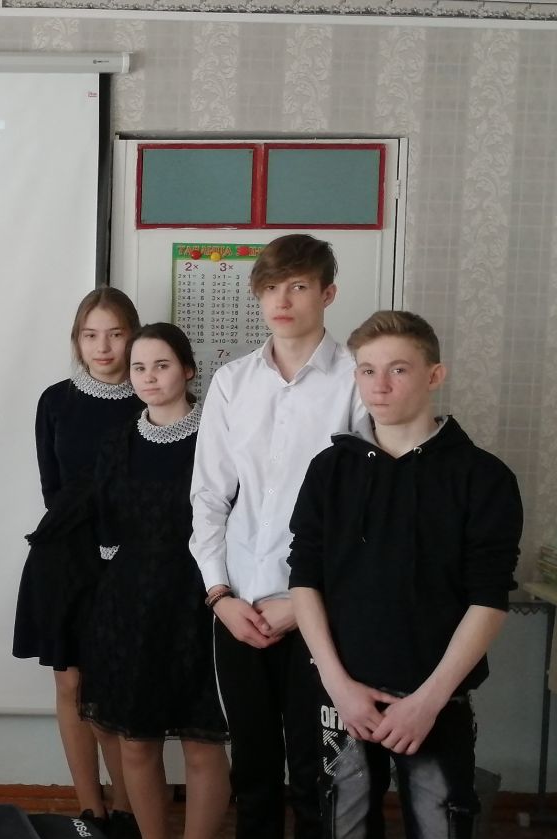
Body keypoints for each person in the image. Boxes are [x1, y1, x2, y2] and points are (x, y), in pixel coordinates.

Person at [290, 311, 521, 839]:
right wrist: (338, 686)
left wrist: (428, 700)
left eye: (398, 369)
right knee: (343, 827)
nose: (380, 386)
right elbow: (304, 578)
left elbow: (489, 598)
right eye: (367, 370)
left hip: (435, 701)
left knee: (441, 825)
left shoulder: (483, 477)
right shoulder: (329, 470)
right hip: (343, 697)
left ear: (434, 375)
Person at [189, 234, 369, 839]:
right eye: (270, 288)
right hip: (238, 605)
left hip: (320, 609)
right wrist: (220, 595)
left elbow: (366, 513)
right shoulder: (232, 382)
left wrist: (305, 602)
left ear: (328, 293)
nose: (282, 301)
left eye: (297, 286)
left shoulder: (356, 380)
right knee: (254, 771)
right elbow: (209, 497)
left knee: (318, 773)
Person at [81, 322, 229, 839]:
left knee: (202, 744)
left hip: (201, 603)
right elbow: (108, 527)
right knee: (136, 742)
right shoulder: (116, 442)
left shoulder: (219, 435)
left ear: (187, 370)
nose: (148, 377)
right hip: (130, 605)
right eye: (139, 367)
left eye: (161, 365)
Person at [14, 287, 142, 834]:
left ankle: (131, 812)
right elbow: (53, 487)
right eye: (91, 335)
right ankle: (91, 810)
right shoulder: (55, 401)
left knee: (115, 691)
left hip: (129, 559)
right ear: (77, 341)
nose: (103, 347)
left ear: (133, 336)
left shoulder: (152, 398)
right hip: (63, 556)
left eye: (115, 334)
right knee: (70, 685)